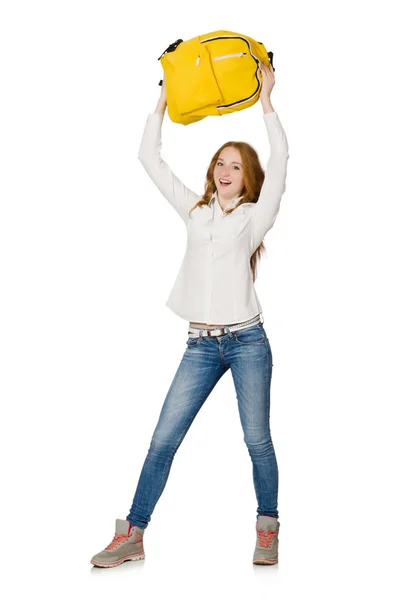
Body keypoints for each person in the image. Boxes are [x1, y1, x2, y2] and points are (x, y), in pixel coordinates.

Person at [91, 62, 289, 568]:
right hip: (200, 345)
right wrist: (163, 99)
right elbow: (147, 157)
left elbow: (282, 159)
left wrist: (266, 101)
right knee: (163, 439)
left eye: (236, 166)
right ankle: (133, 533)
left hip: (248, 342)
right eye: (220, 163)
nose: (225, 171)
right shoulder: (195, 211)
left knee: (256, 439)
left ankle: (268, 528)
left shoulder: (255, 216)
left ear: (248, 178)